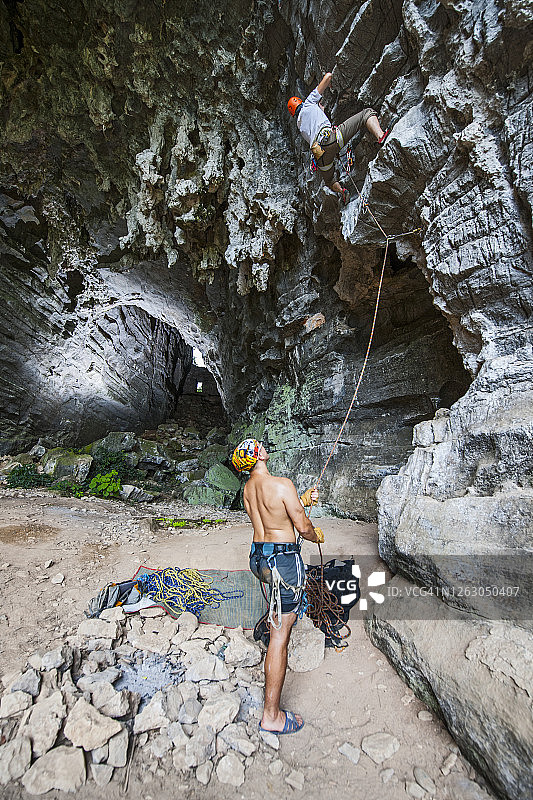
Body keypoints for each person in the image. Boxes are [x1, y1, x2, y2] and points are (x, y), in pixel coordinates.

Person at [231, 437, 323, 735]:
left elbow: (270, 514)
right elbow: (302, 527)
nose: (263, 445)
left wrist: (302, 500)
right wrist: (315, 535)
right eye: (259, 444)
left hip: (259, 559)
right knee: (280, 636)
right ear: (257, 454)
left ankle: (271, 619)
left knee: (276, 602)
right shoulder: (282, 484)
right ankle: (271, 715)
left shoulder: (247, 490)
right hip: (283, 562)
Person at [288, 71, 391, 204]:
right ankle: (380, 136)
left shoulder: (300, 126)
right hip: (331, 139)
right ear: (300, 103)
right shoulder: (308, 103)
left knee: (330, 181)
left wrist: (320, 110)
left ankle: (342, 191)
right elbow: (328, 76)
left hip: (321, 156)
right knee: (366, 113)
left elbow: (315, 123)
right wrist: (329, 83)